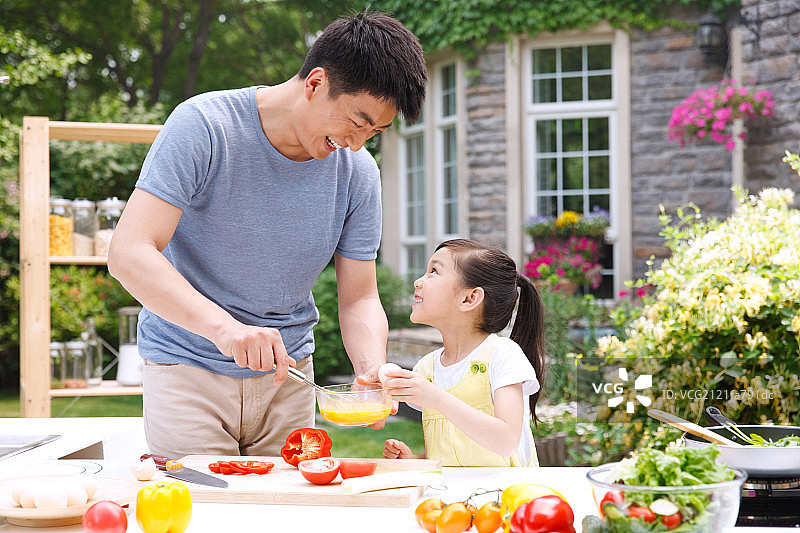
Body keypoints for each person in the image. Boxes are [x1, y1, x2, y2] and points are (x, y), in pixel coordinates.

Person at [107, 11, 427, 458]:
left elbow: (358, 297)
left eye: (375, 132)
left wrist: (371, 370)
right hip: (187, 367)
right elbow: (129, 252)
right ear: (316, 83)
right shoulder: (204, 126)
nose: (358, 144)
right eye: (357, 122)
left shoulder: (358, 174)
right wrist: (228, 331)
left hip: (289, 378)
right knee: (203, 514)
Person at [382, 239, 545, 466]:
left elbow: (506, 441)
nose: (418, 282)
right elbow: (450, 452)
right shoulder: (427, 368)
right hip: (452, 500)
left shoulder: (502, 355)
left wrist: (436, 398)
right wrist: (414, 460)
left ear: (469, 298)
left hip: (506, 497)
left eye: (433, 271)